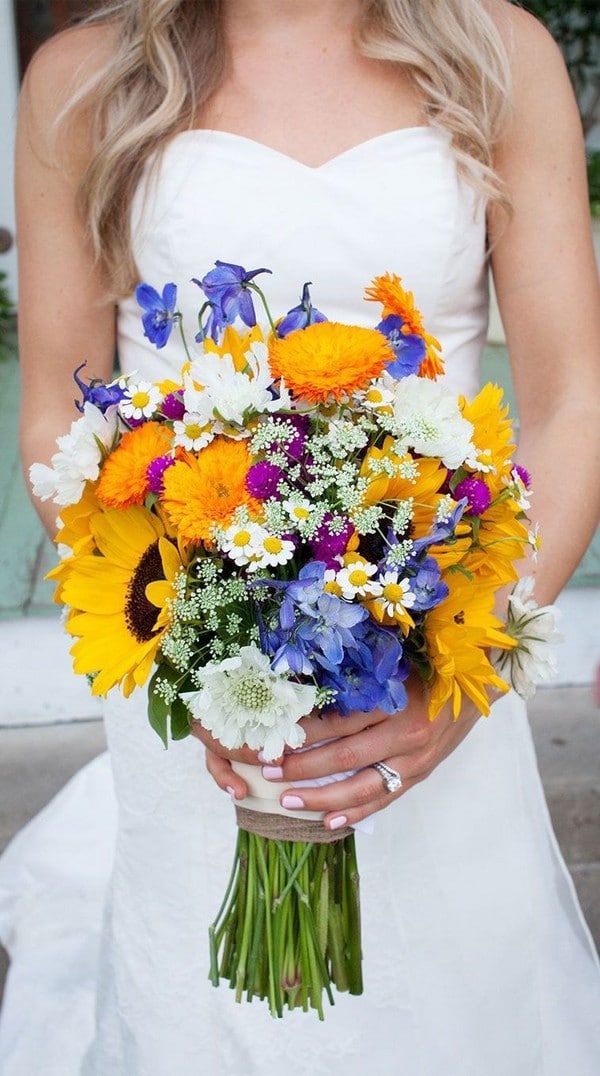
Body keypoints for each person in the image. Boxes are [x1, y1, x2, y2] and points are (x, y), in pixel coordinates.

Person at [1, 0, 599, 1072]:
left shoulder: (499, 54)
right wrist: (195, 631)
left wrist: (465, 667)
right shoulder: (82, 80)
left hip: (440, 646)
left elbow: (572, 404)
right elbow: (57, 410)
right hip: (196, 690)